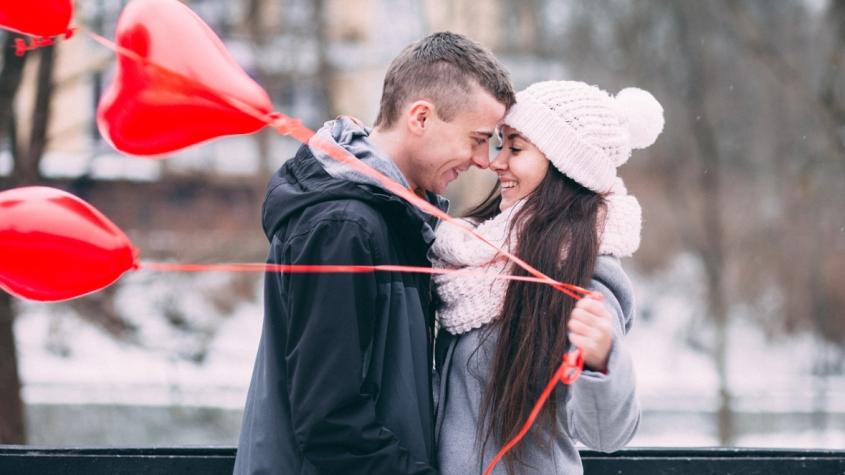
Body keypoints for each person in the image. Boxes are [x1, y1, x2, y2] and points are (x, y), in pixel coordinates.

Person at [233, 32, 515, 475]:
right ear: (420, 117)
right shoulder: (344, 227)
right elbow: (330, 421)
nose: (484, 160)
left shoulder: (395, 218)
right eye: (477, 139)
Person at [432, 80, 664, 474]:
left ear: (564, 165)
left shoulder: (582, 275)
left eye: (516, 148)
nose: (497, 161)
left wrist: (601, 360)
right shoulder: (471, 257)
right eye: (500, 143)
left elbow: (607, 435)